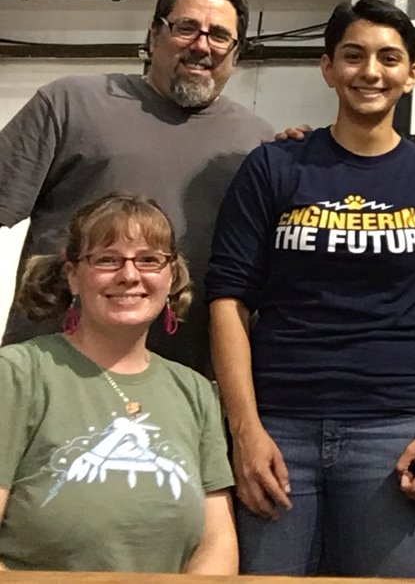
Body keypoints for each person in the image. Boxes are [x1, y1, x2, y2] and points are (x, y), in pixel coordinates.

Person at [206, 0, 415, 578]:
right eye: (353, 56)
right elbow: (229, 298)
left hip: (392, 429)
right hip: (279, 424)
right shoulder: (274, 168)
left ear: (412, 75)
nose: (370, 71)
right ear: (327, 68)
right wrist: (245, 429)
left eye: (389, 58)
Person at [0, 0, 274, 373]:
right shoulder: (70, 104)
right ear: (154, 33)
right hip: (54, 378)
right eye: (186, 28)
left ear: (236, 51)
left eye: (219, 35)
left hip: (185, 388)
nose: (202, 46)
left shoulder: (259, 146)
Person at [0, 192, 237, 574]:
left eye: (149, 260)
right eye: (107, 260)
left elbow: (217, 543)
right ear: (73, 275)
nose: (129, 275)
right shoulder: (17, 374)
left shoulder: (193, 391)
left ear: (171, 274)